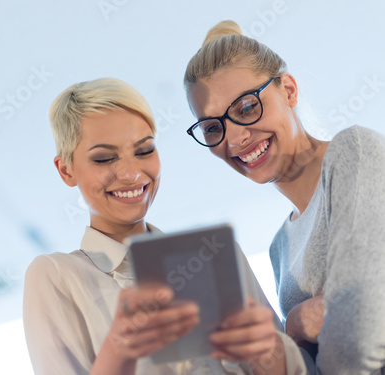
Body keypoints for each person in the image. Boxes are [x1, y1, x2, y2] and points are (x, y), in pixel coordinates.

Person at [23, 77, 307, 375]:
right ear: (66, 170)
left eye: (144, 150)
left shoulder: (216, 256)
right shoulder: (57, 276)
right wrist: (119, 350)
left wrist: (267, 349)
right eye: (104, 158)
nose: (131, 174)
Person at [183, 20, 385, 375]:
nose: (235, 139)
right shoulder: (279, 247)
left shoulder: (353, 151)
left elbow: (358, 335)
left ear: (288, 90)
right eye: (214, 128)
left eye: (246, 107)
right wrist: (292, 325)